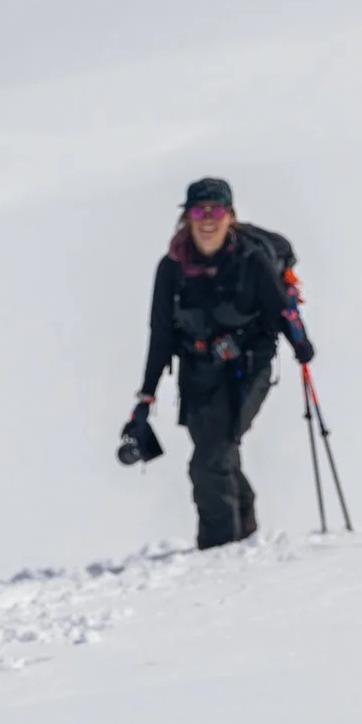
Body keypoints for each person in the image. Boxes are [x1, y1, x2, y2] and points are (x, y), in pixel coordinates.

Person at [130, 176, 314, 549]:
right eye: (199, 210)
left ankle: (218, 552)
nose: (208, 219)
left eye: (217, 210)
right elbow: (161, 335)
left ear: (230, 216)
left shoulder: (251, 260)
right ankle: (245, 527)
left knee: (210, 459)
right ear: (187, 218)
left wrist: (300, 343)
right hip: (197, 373)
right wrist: (146, 396)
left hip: (248, 366)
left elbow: (280, 309)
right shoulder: (171, 269)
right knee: (217, 451)